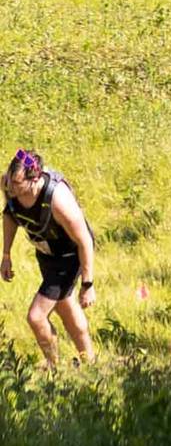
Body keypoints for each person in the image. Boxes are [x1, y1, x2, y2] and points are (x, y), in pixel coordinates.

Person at [2, 149, 96, 367]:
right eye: (9, 182)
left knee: (36, 316)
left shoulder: (58, 200)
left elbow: (85, 241)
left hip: (69, 257)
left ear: (34, 180)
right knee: (65, 306)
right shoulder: (10, 186)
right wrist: (6, 255)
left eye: (17, 184)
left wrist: (88, 283)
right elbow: (10, 214)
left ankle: (54, 367)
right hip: (46, 255)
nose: (11, 189)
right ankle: (90, 361)